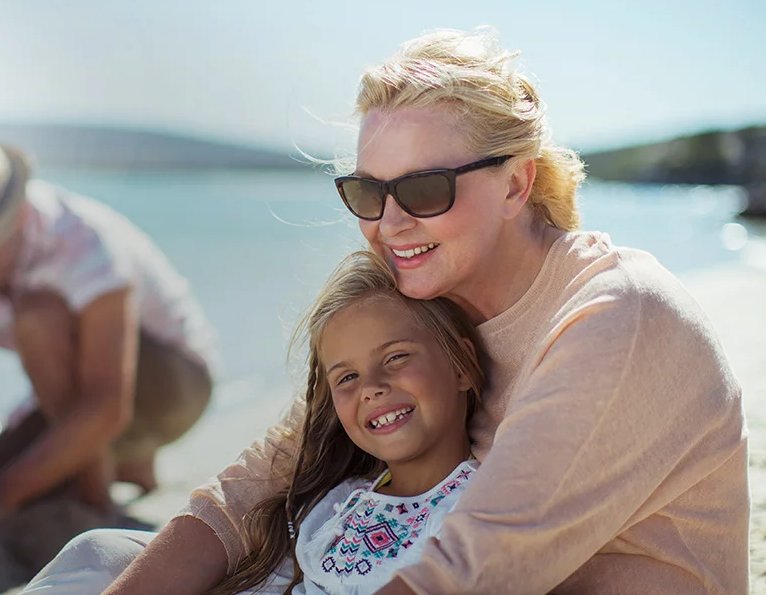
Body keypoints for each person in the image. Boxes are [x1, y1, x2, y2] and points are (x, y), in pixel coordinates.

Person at [26, 28, 749, 594]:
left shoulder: (616, 318)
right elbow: (254, 487)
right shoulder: (422, 295)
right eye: (368, 193)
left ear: (515, 184)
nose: (389, 224)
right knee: (101, 558)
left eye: (426, 189)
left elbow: (469, 573)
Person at [27, 250, 487, 594]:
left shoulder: (478, 507)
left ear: (462, 366)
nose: (371, 387)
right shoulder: (336, 504)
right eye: (346, 377)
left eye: (397, 357)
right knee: (94, 551)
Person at [0, 129, 216, 542]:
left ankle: (97, 493)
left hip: (174, 387)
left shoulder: (81, 242)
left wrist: (0, 497)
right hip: (77, 394)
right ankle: (127, 463)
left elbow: (108, 404)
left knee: (37, 319)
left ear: (15, 216)